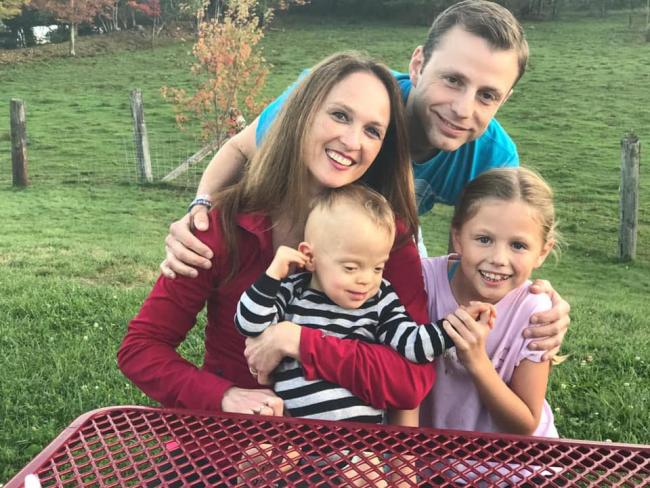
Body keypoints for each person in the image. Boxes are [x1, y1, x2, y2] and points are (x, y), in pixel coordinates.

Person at [160, 0, 571, 362]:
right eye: (453, 80)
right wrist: (200, 214)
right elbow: (238, 148)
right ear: (418, 64)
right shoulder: (348, 105)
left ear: (504, 100)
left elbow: (499, 241)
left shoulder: (493, 156)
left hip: (390, 223)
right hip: (304, 212)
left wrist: (534, 300)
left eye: (487, 96)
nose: (463, 109)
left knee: (399, 322)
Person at [118, 52, 435, 418]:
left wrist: (300, 342)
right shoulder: (225, 226)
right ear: (303, 114)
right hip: (235, 439)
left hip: (344, 455)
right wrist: (224, 396)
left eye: (372, 130)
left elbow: (412, 379)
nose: (352, 141)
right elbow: (141, 348)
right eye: (340, 115)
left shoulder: (388, 238)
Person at [235, 184, 463, 425]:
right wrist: (272, 276)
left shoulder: (380, 299)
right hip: (296, 435)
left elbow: (411, 344)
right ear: (310, 257)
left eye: (378, 267)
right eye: (351, 268)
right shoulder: (292, 290)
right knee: (262, 454)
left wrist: (455, 327)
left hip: (357, 441)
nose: (365, 279)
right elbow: (249, 323)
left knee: (365, 464)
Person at [420, 167, 560, 436]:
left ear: (542, 252)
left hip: (513, 465)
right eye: (484, 239)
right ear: (458, 238)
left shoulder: (534, 312)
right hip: (433, 460)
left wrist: (476, 361)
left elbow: (525, 425)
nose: (498, 258)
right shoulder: (423, 281)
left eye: (518, 245)